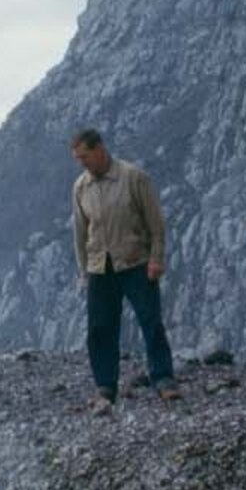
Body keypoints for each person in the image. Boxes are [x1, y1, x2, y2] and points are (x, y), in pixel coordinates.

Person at [69, 128, 175, 413]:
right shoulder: (80, 187)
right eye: (78, 159)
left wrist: (156, 258)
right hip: (99, 268)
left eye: (85, 156)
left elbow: (155, 222)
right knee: (100, 329)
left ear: (100, 149)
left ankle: (163, 378)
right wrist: (84, 270)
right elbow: (80, 232)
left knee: (150, 321)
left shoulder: (133, 177)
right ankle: (105, 385)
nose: (83, 163)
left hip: (136, 262)